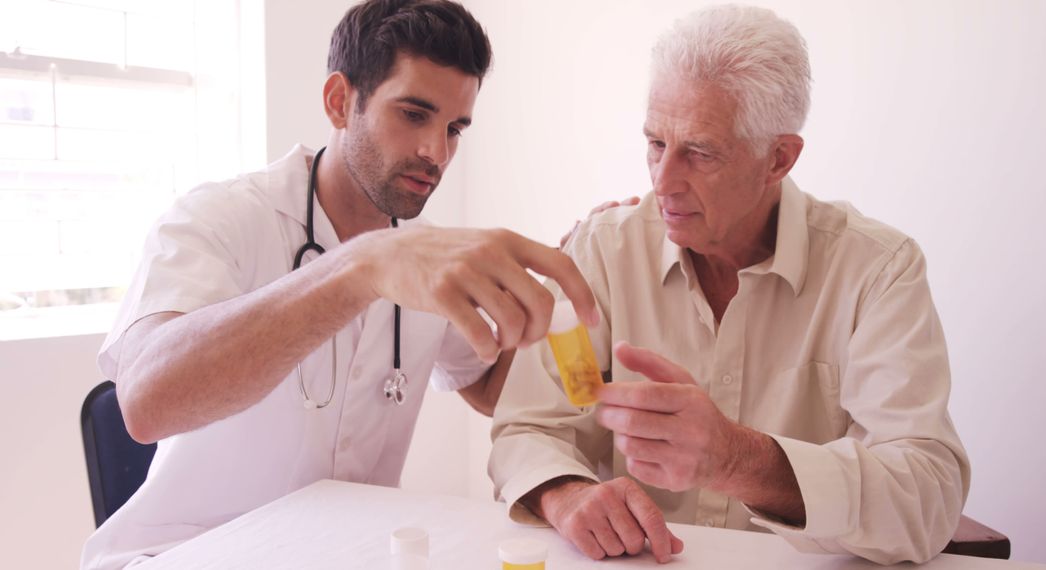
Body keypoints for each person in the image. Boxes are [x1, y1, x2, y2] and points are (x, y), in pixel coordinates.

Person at [81, 1, 599, 568]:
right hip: (188, 552)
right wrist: (363, 268)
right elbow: (147, 401)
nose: (437, 152)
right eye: (413, 114)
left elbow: (488, 387)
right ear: (339, 101)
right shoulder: (220, 218)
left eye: (454, 128)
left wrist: (567, 294)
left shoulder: (423, 254)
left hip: (349, 553)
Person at [489, 4, 970, 565]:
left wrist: (740, 459)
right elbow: (526, 426)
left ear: (779, 159)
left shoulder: (878, 271)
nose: (663, 181)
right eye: (655, 143)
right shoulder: (604, 250)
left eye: (699, 151)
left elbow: (929, 496)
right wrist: (564, 495)